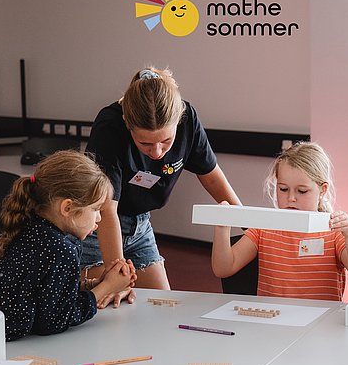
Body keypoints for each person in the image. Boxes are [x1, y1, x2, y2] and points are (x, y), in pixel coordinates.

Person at [0, 151, 135, 356]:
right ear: (68, 207)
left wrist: (85, 286)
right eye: (96, 209)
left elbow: (29, 290)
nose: (99, 218)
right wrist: (106, 288)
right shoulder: (61, 249)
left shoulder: (20, 222)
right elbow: (53, 321)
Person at [83, 66, 241, 298]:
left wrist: (249, 225)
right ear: (128, 122)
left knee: (162, 303)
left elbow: (211, 176)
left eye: (166, 141)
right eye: (145, 144)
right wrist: (116, 275)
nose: (157, 152)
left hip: (140, 225)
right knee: (110, 304)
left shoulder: (188, 118)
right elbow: (107, 208)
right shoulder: (110, 126)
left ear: (179, 121)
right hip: (97, 226)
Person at [211, 142, 348, 301]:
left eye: (302, 191)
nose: (291, 198)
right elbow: (224, 268)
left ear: (322, 190)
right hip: (273, 320)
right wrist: (221, 227)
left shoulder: (332, 231)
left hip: (320, 324)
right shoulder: (264, 228)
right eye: (283, 189)